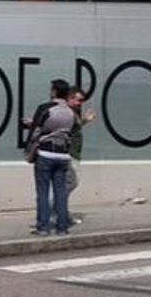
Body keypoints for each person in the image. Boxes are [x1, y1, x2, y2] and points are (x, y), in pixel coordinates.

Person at [23, 82, 76, 236]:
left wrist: (29, 147)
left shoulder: (46, 108)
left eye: (51, 89)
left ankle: (43, 227)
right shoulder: (71, 113)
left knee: (43, 192)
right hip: (63, 155)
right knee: (60, 192)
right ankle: (62, 227)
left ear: (54, 91)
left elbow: (36, 131)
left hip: (46, 153)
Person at [65, 87, 97, 224]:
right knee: (71, 183)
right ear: (70, 98)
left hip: (74, 153)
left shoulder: (72, 113)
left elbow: (74, 129)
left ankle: (60, 212)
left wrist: (85, 121)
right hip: (69, 154)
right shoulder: (67, 113)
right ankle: (58, 212)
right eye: (79, 100)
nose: (80, 103)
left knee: (69, 183)